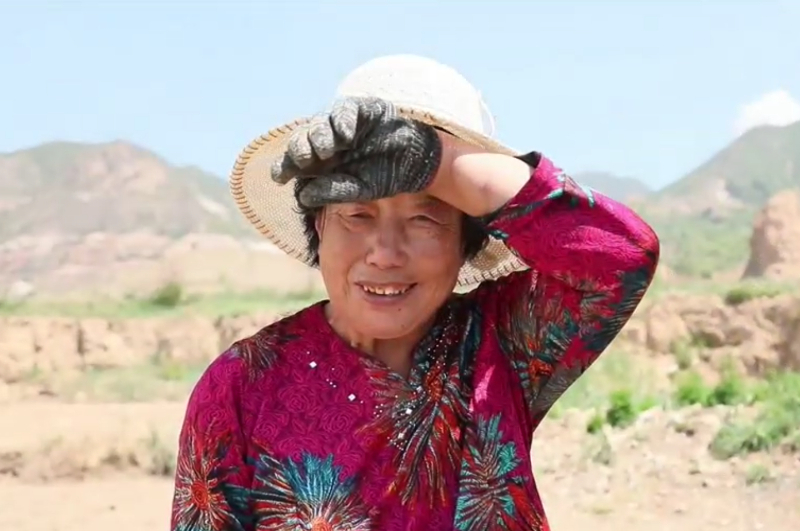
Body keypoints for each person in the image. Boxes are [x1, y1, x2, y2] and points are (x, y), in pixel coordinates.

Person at [170, 54, 660, 531]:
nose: (385, 253)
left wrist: (438, 164)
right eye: (357, 214)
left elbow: (622, 256)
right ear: (319, 225)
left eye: (424, 217)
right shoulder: (242, 387)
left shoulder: (501, 344)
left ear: (467, 239)